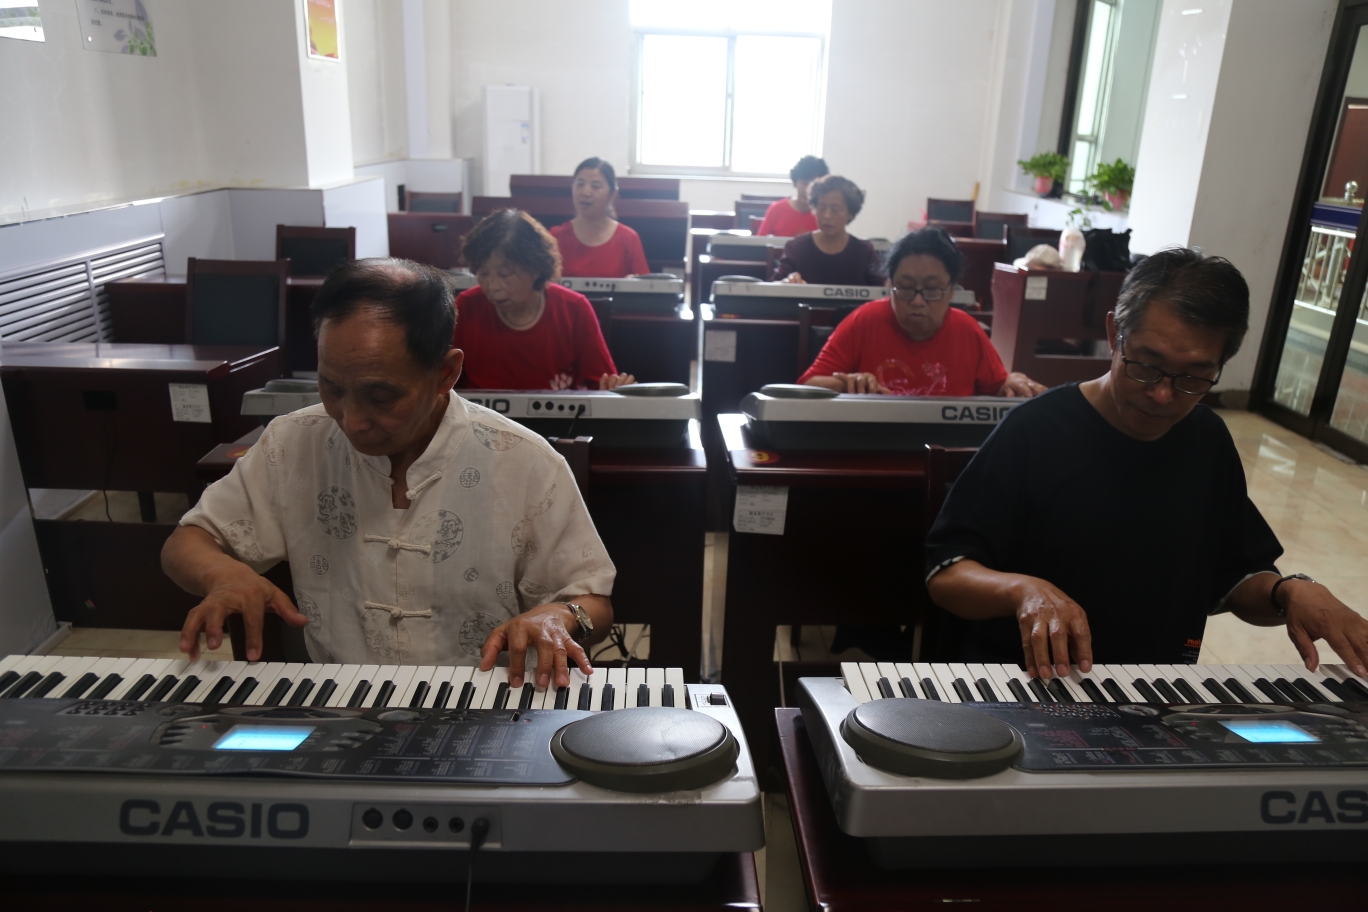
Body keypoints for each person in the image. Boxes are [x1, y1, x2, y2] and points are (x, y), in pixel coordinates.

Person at [165, 258, 617, 691]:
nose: (351, 419)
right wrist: (222, 574)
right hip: (344, 702)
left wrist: (557, 616)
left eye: (380, 397)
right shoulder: (293, 442)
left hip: (487, 704)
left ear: (446, 372)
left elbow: (592, 600)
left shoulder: (524, 461)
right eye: (332, 388)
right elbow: (186, 542)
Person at [925, 248, 1368, 681]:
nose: (1163, 395)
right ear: (1115, 331)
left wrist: (1290, 592)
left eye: (1194, 377)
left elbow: (1233, 578)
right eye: (1147, 365)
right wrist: (1024, 590)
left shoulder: (1206, 440)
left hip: (1154, 691)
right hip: (1027, 685)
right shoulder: (1035, 431)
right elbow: (946, 574)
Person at [799, 228, 1045, 397]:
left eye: (931, 290)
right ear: (889, 286)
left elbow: (998, 386)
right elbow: (806, 386)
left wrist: (1011, 383)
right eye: (905, 288)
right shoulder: (863, 321)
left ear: (951, 291)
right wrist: (844, 384)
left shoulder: (967, 331)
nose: (917, 301)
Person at [455, 208, 635, 390]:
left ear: (536, 268)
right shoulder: (465, 307)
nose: (492, 286)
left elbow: (601, 385)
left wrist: (613, 387)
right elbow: (440, 383)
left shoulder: (574, 309)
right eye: (483, 273)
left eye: (505, 274)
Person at [770, 175, 884, 286]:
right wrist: (788, 282)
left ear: (851, 213)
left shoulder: (864, 251)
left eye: (835, 209)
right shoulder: (797, 247)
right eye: (821, 207)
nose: (827, 215)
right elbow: (774, 287)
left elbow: (883, 288)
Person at [550, 157, 650, 278]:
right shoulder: (555, 237)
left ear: (612, 194)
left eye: (595, 186)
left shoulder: (628, 238)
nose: (585, 192)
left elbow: (645, 287)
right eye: (580, 184)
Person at [756, 155, 828, 237]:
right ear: (795, 182)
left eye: (813, 185)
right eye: (804, 183)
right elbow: (759, 244)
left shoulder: (825, 214)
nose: (808, 189)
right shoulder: (777, 209)